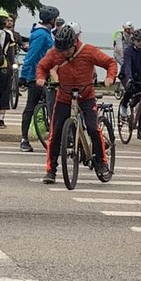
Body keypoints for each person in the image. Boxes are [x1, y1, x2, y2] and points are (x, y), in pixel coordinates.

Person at [36, 24, 118, 182]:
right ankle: (51, 170)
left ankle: (101, 162)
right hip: (64, 96)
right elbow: (42, 66)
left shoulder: (88, 51)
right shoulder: (55, 53)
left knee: (93, 128)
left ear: (74, 44)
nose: (64, 53)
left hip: (86, 95)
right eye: (61, 50)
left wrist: (110, 77)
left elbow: (110, 63)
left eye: (67, 50)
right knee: (56, 133)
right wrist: (40, 78)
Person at [19, 5, 60, 152]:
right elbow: (32, 55)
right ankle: (24, 139)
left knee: (54, 104)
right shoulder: (41, 35)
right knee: (32, 106)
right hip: (36, 77)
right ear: (52, 20)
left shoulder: (47, 33)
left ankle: (58, 135)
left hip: (47, 75)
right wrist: (23, 76)